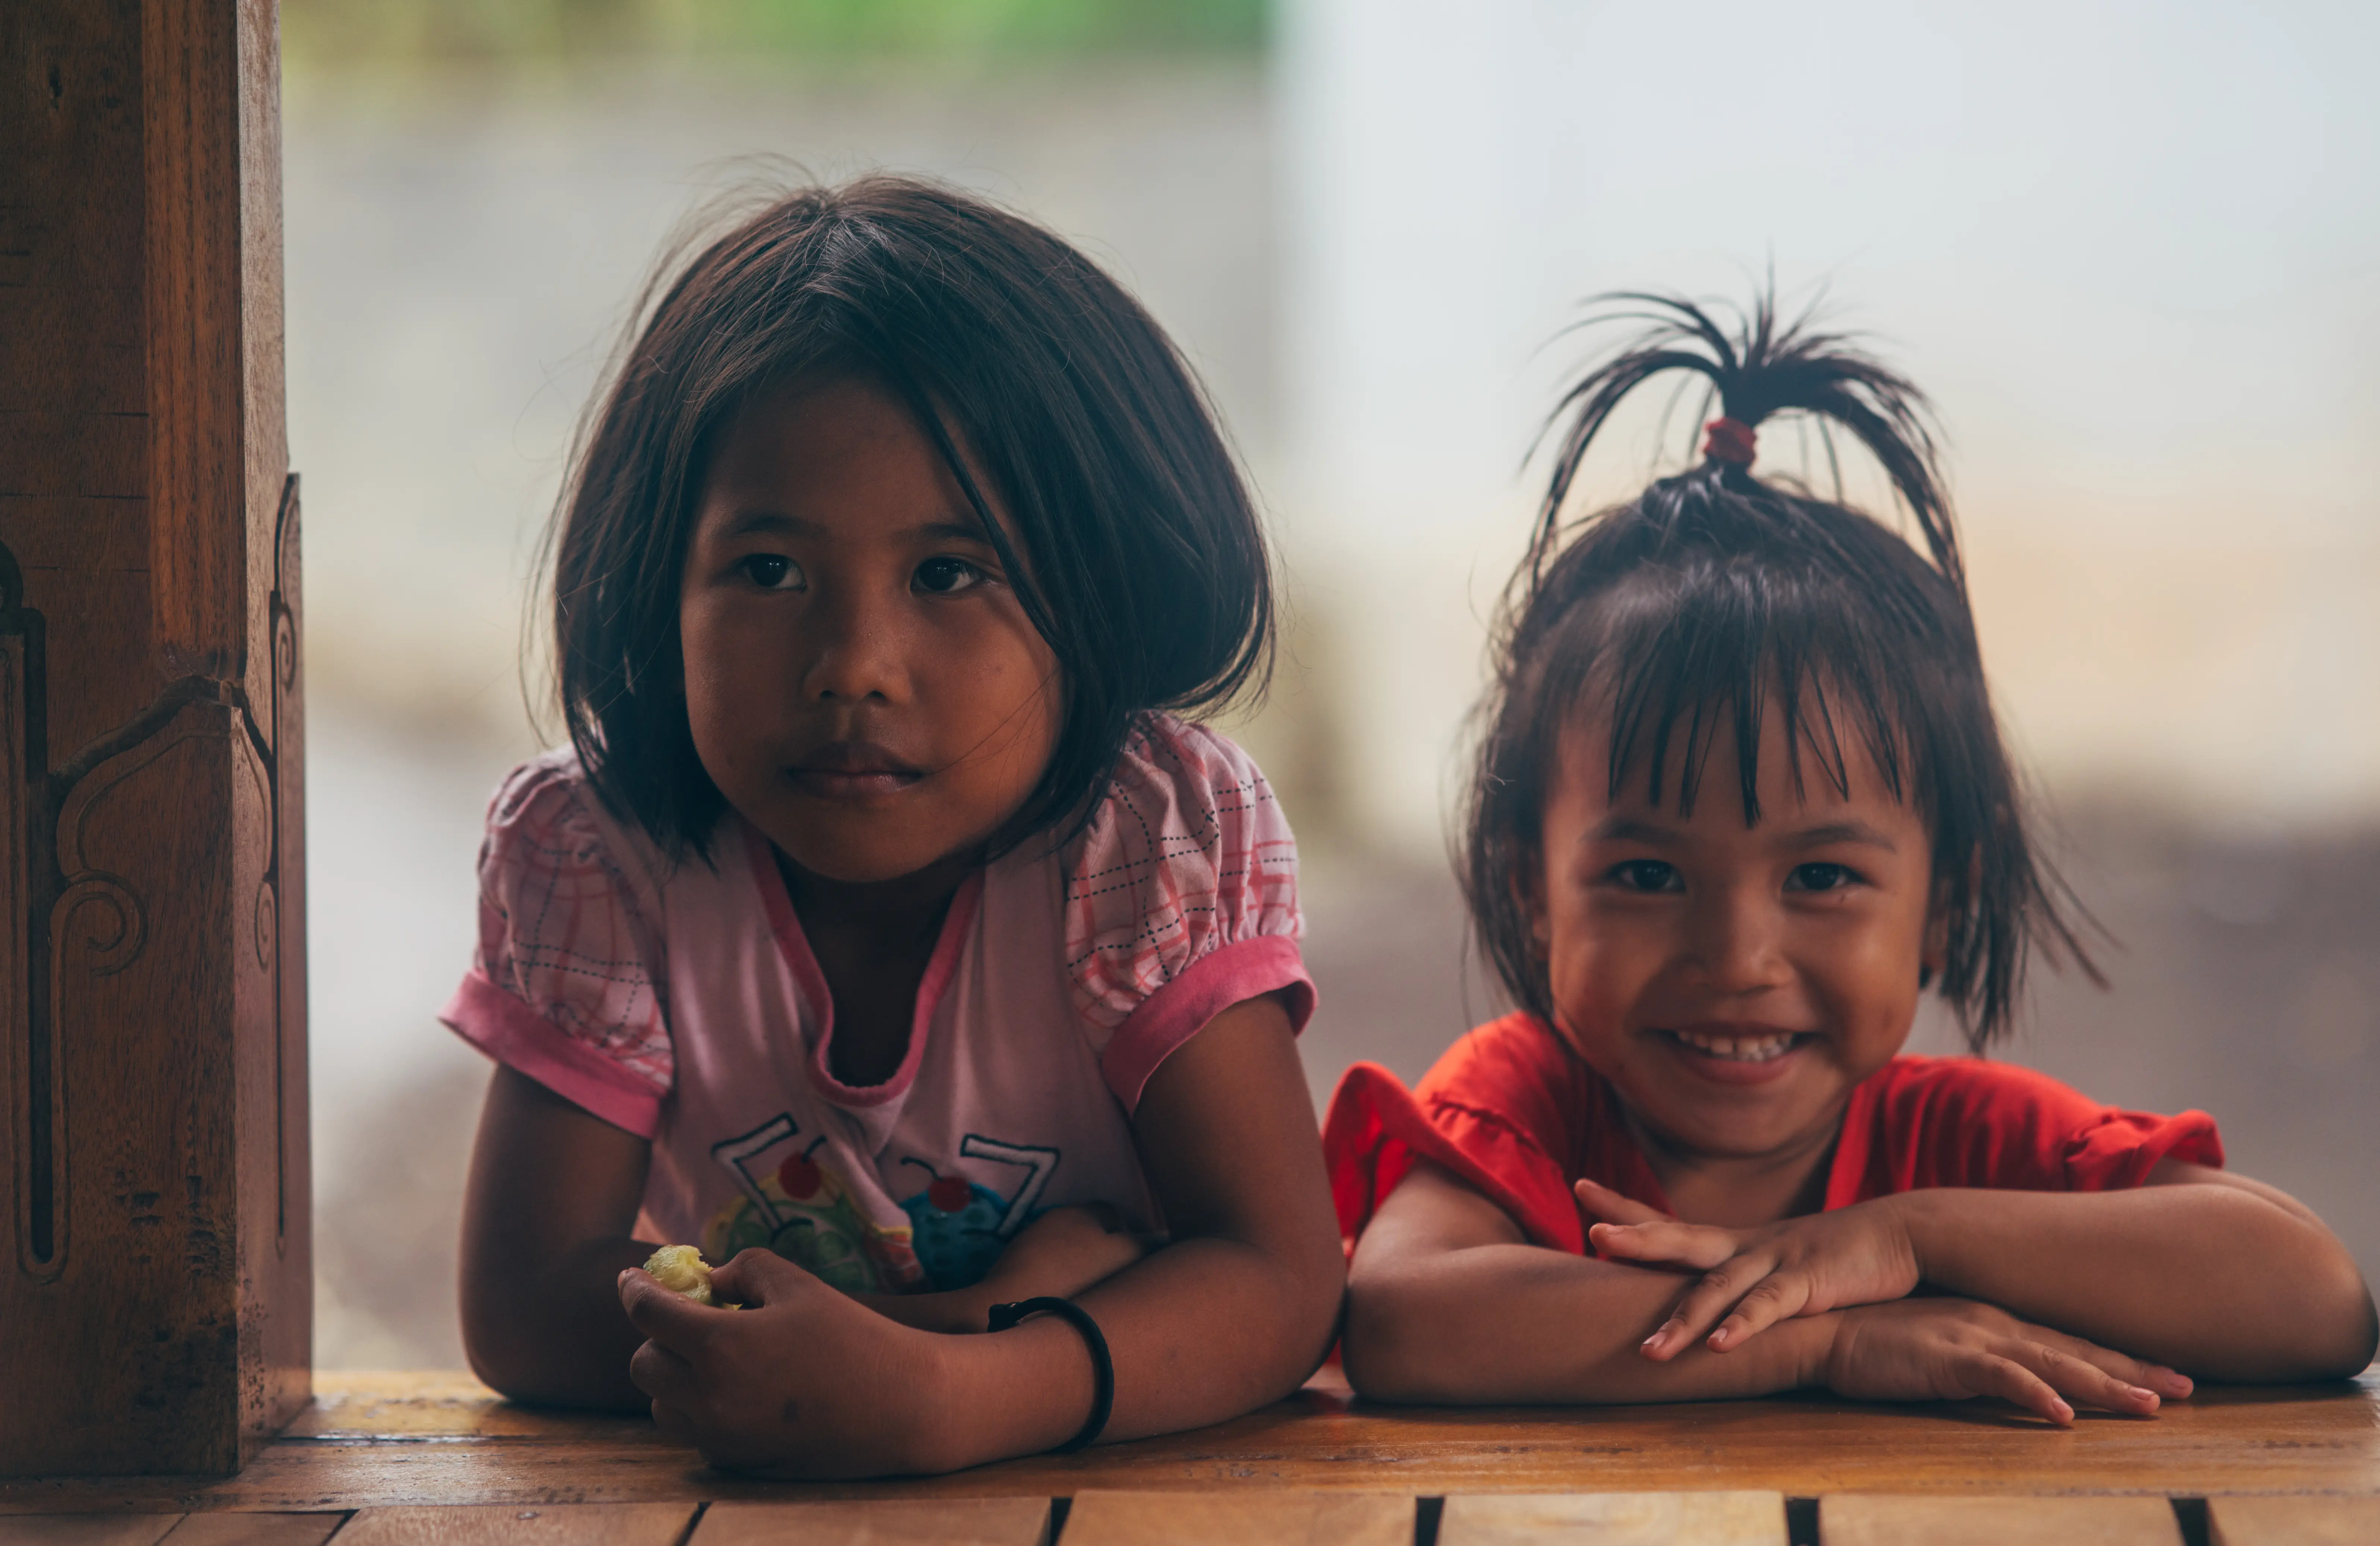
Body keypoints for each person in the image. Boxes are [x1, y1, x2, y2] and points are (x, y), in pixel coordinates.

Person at [1327, 294, 2377, 1420]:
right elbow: (1400, 1322)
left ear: (1941, 905)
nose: (1735, 956)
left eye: (1819, 877)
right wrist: (1823, 1341)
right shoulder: (1525, 1106)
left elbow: (2316, 1302)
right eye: (1645, 874)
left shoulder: (1964, 1147)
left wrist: (1903, 1237)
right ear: (1533, 890)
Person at [443, 177, 1343, 1476]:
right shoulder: (608, 851)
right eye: (769, 573)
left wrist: (955, 1394)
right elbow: (529, 1304)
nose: (852, 665)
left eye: (949, 574)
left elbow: (1276, 1283)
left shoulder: (1142, 841)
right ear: (656, 588)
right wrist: (957, 1333)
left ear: (1091, 600)